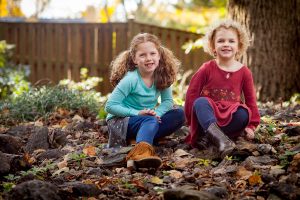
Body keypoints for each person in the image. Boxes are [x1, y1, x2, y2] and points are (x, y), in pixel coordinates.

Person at [105, 33, 185, 169]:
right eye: (142, 55)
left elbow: (167, 101)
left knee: (179, 114)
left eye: (152, 54)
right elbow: (110, 106)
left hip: (146, 119)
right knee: (150, 120)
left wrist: (157, 113)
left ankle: (139, 140)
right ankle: (141, 154)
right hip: (121, 121)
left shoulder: (162, 75)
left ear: (159, 55)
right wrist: (137, 113)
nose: (149, 58)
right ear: (135, 59)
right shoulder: (131, 79)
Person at [184, 19, 260, 159]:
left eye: (231, 41)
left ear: (239, 46)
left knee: (243, 113)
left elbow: (251, 100)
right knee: (200, 102)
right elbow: (191, 94)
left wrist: (251, 125)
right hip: (207, 116)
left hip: (231, 116)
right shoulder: (207, 68)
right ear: (213, 46)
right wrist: (191, 121)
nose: (226, 44)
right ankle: (221, 140)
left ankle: (209, 137)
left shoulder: (244, 72)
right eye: (221, 41)